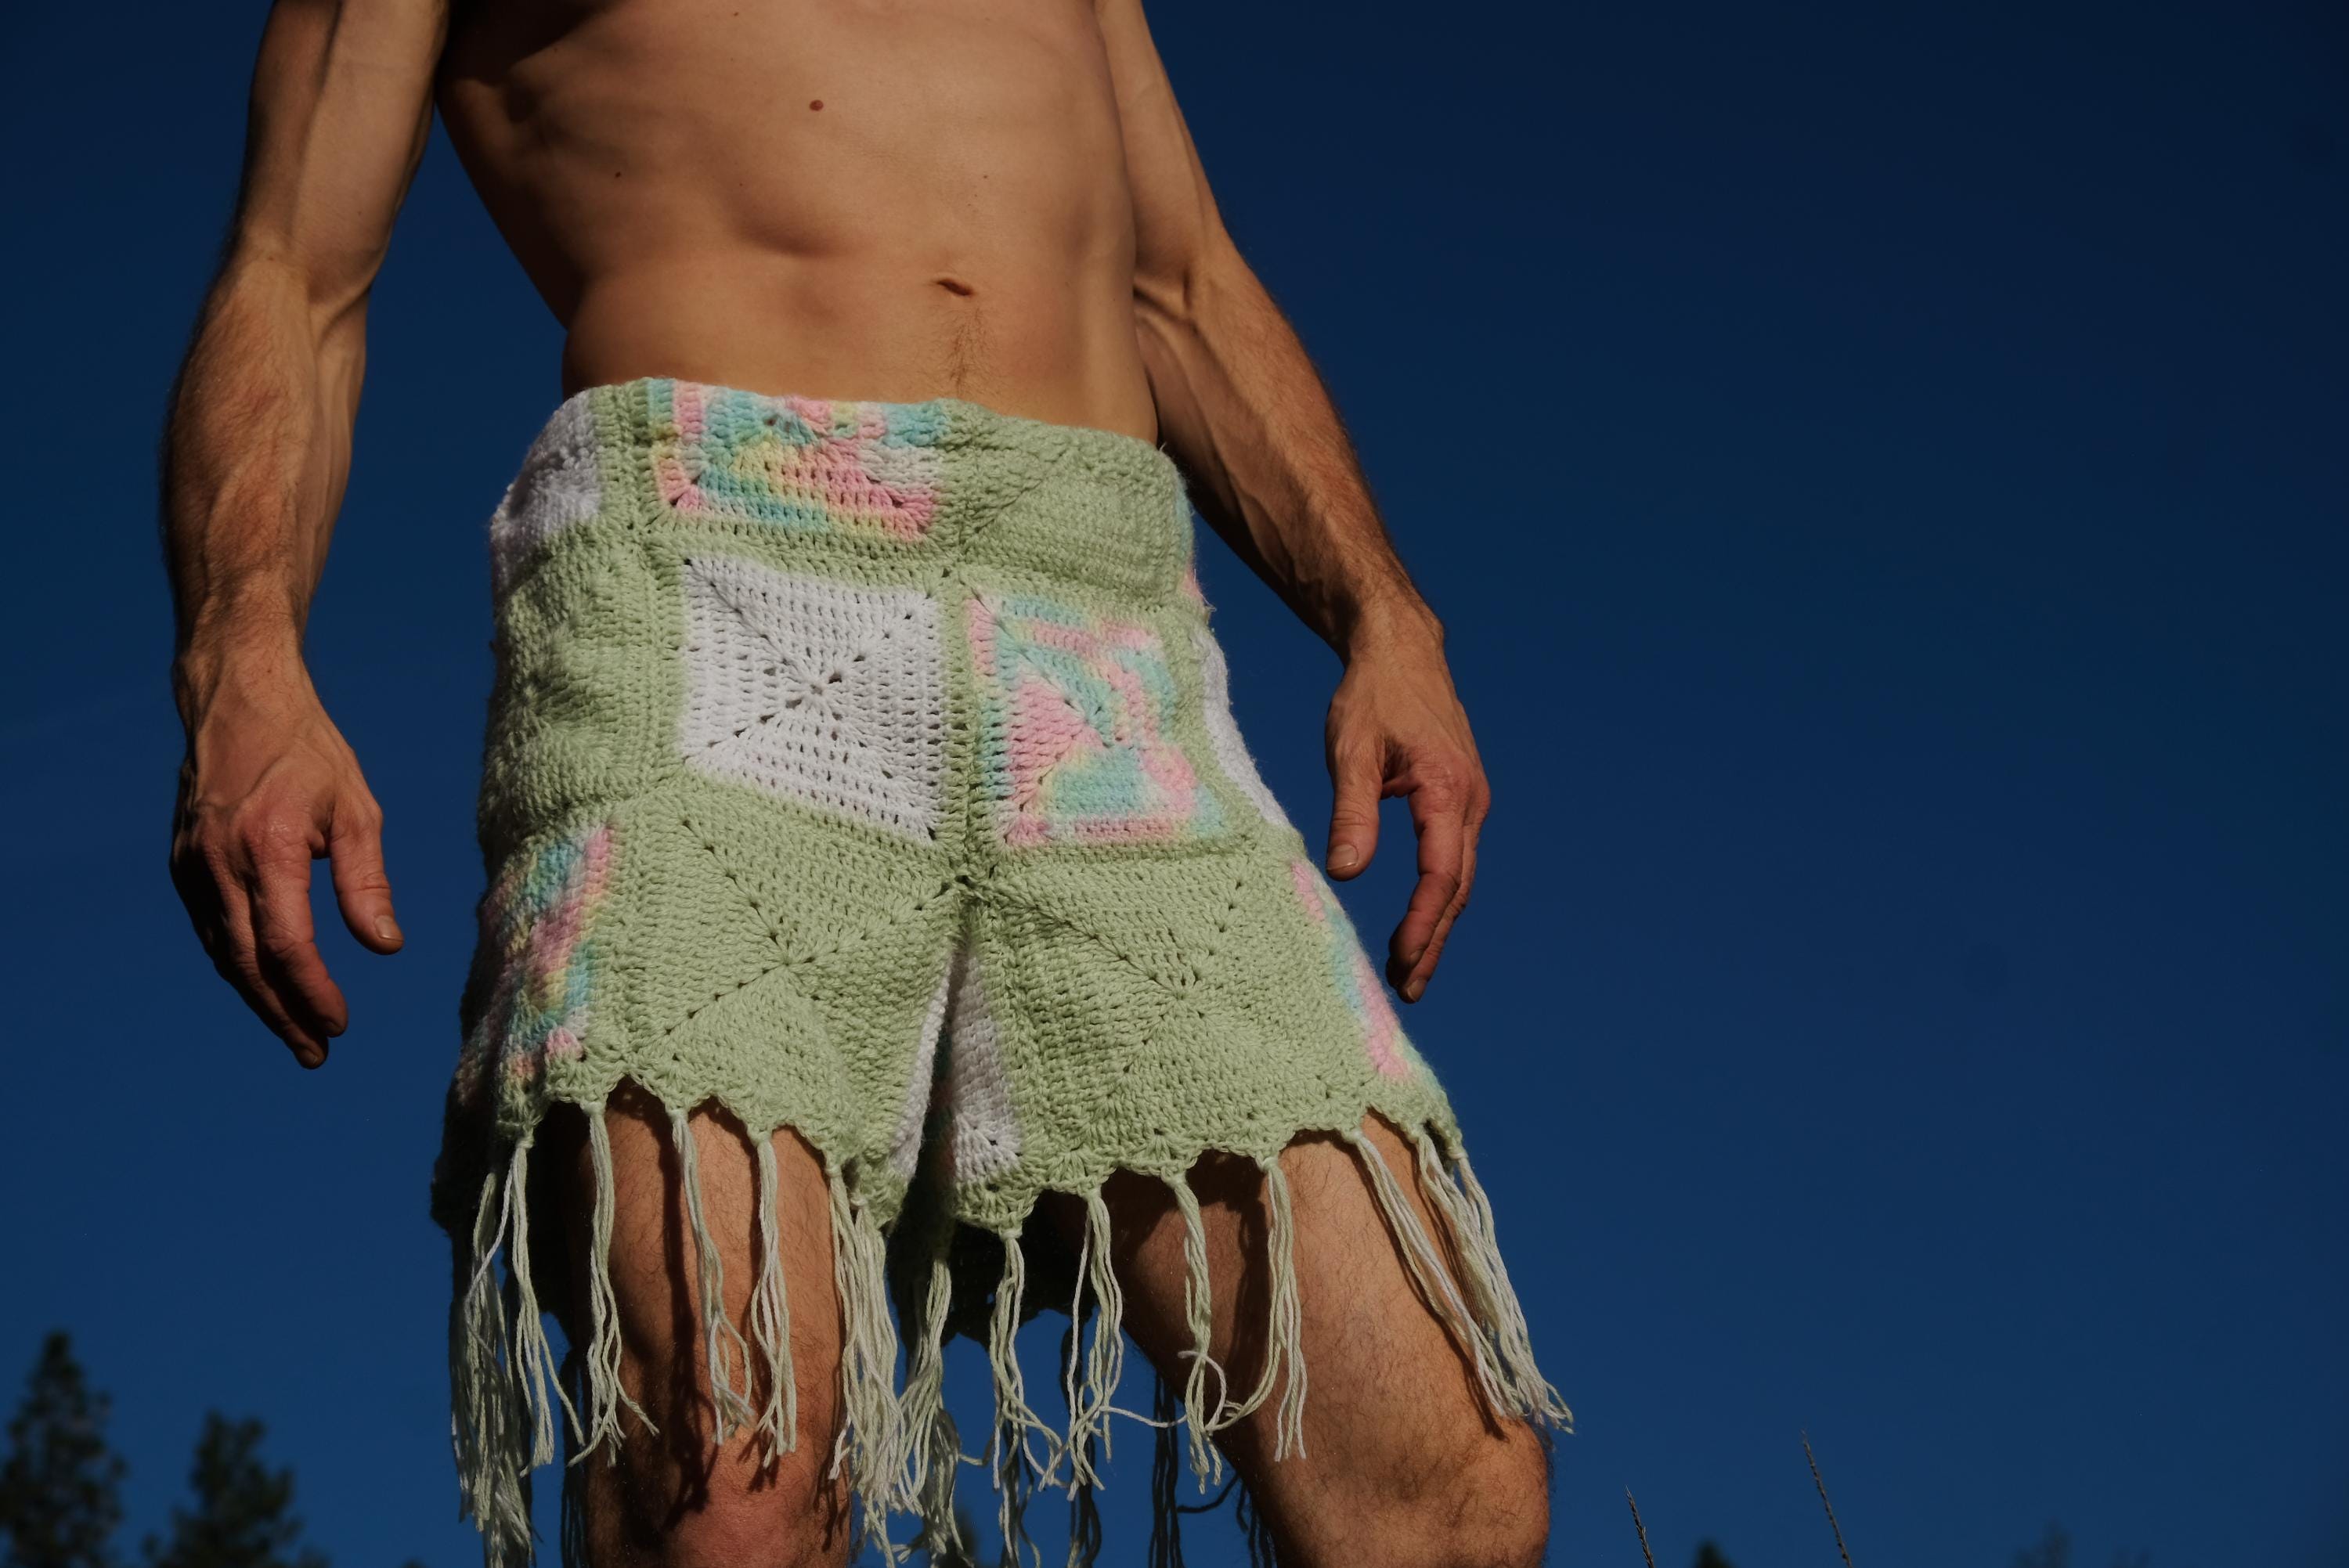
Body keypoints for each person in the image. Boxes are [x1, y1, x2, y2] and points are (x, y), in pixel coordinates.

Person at [160, 1, 1568, 1563]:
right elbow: (295, 270)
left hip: (1100, 626)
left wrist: (1384, 613)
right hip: (707, 587)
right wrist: (242, 658)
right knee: (727, 1475)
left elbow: (1179, 280)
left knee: (1447, 1483)